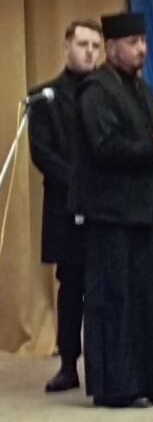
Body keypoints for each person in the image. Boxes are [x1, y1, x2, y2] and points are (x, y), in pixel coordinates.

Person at [71, 11, 153, 408]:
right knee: (117, 300)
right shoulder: (95, 91)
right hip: (112, 216)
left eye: (143, 41)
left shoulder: (142, 88)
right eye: (133, 42)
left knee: (148, 299)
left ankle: (150, 379)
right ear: (111, 48)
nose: (142, 49)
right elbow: (105, 147)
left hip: (146, 212)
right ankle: (118, 387)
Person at [28, 19, 102, 393]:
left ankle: (105, 366)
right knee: (71, 285)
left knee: (104, 285)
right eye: (83, 44)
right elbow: (42, 153)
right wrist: (79, 182)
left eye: (95, 46)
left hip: (105, 206)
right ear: (67, 46)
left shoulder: (107, 93)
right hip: (65, 204)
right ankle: (68, 364)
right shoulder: (44, 97)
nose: (89, 52)